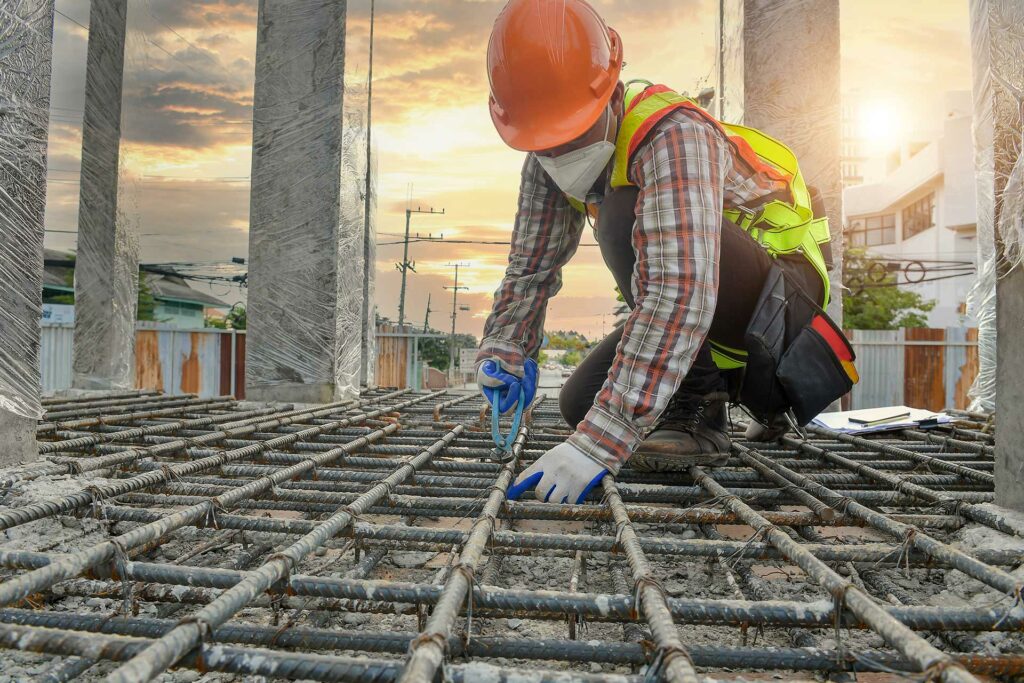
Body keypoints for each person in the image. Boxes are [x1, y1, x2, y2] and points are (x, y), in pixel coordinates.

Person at [475, 0, 833, 505]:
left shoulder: (674, 134)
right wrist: (505, 350)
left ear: (611, 95)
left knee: (623, 214)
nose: (559, 153)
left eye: (572, 133)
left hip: (785, 321)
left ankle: (703, 403)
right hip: (711, 310)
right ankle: (697, 393)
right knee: (582, 405)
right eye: (542, 142)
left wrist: (600, 443)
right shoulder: (546, 155)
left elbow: (678, 291)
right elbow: (529, 268)